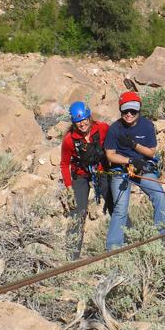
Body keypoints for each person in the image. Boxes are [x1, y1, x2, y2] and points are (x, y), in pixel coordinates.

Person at [103, 91, 165, 251]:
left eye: (133, 111)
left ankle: (160, 240)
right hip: (121, 170)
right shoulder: (114, 129)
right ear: (121, 110)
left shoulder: (146, 126)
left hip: (143, 169)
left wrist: (134, 146)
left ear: (139, 110)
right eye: (126, 111)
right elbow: (110, 156)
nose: (129, 114)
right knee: (120, 207)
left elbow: (151, 152)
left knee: (159, 196)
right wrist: (130, 160)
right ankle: (114, 248)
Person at [60, 101, 112, 260]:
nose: (82, 124)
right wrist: (69, 186)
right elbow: (64, 164)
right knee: (78, 212)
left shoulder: (102, 128)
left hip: (101, 170)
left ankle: (130, 239)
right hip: (81, 174)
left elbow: (113, 144)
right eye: (78, 121)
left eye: (84, 120)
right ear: (73, 122)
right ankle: (72, 256)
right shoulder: (69, 140)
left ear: (89, 117)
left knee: (114, 202)